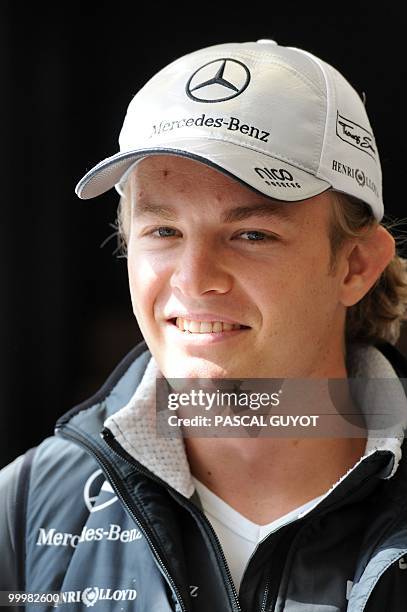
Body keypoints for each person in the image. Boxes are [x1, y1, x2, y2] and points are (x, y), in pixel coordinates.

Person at [1, 39, 407, 611]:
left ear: (356, 265)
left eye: (252, 234)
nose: (194, 280)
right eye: (163, 232)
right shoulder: (22, 513)